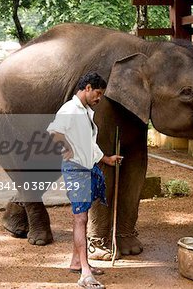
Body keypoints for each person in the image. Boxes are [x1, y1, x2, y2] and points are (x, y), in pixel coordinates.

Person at [48, 72, 122, 289]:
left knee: (83, 217)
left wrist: (106, 159)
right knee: (80, 219)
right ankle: (86, 272)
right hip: (76, 170)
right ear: (87, 88)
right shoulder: (70, 110)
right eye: (98, 93)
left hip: (86, 168)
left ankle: (76, 263)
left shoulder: (85, 111)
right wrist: (67, 148)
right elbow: (53, 132)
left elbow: (89, 143)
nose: (99, 98)